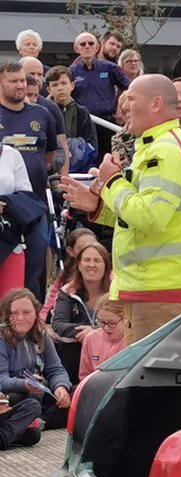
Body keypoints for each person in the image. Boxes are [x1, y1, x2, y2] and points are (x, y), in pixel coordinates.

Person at [61, 75, 181, 342]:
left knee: (153, 383)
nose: (123, 107)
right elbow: (143, 215)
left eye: (131, 98)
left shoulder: (165, 150)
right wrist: (98, 204)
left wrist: (111, 181)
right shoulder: (155, 146)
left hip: (163, 291)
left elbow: (149, 216)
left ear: (155, 104)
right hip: (155, 289)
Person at [0, 60, 57, 300]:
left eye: (23, 80)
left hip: (33, 205)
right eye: (14, 81)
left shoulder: (42, 112)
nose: (21, 85)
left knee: (34, 265)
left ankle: (31, 320)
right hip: (4, 211)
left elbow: (51, 153)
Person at [0, 287, 71, 430]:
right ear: (6, 315)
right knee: (24, 399)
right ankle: (27, 423)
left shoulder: (41, 335)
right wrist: (25, 384)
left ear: (35, 313)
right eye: (14, 313)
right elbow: (1, 380)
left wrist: (61, 387)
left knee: (76, 395)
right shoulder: (2, 339)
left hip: (40, 390)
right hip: (15, 394)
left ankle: (38, 422)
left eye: (26, 312)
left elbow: (55, 369)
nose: (20, 318)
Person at [51, 241, 112, 382]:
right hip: (75, 349)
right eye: (86, 260)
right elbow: (58, 324)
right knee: (69, 348)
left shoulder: (116, 291)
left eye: (97, 260)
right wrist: (85, 333)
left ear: (106, 266)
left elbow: (126, 321)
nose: (91, 265)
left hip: (109, 347)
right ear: (79, 265)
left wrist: (95, 332)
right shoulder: (67, 291)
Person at [69, 31, 128, 156]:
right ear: (76, 48)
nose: (87, 46)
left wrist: (120, 109)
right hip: (83, 124)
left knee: (108, 158)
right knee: (85, 159)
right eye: (83, 44)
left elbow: (129, 87)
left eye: (91, 43)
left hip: (107, 123)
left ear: (97, 47)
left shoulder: (109, 68)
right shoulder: (71, 72)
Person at [21, 57, 68, 179]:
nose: (36, 78)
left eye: (40, 74)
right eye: (32, 73)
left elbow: (61, 146)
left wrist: (61, 177)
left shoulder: (50, 108)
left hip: (41, 179)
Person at [47, 65, 98, 166]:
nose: (60, 88)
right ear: (49, 90)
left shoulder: (82, 112)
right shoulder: (44, 111)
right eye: (55, 85)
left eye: (64, 83)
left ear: (72, 85)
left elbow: (92, 145)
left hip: (79, 166)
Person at [0, 139, 32, 296]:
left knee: (11, 304)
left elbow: (27, 196)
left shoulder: (12, 155)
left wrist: (5, 203)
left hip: (8, 239)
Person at [78, 298, 125, 379]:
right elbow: (84, 375)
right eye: (101, 322)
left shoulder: (132, 340)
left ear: (125, 319)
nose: (106, 328)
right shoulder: (90, 338)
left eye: (111, 323)